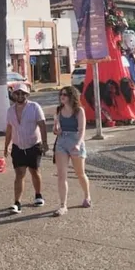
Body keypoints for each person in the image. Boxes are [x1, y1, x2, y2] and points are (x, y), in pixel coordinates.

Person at [3, 83, 48, 213]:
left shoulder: (34, 107)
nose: (20, 96)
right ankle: (17, 203)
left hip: (34, 145)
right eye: (17, 93)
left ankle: (38, 195)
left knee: (35, 171)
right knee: (19, 174)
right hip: (18, 146)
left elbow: (42, 125)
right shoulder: (10, 111)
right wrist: (6, 146)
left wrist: (44, 142)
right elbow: (9, 128)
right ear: (14, 95)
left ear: (27, 95)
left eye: (23, 93)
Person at [52, 87, 91, 216]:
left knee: (80, 173)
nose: (62, 97)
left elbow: (82, 130)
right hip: (62, 142)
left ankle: (87, 196)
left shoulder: (79, 111)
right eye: (60, 94)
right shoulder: (59, 110)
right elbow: (56, 128)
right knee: (61, 175)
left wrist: (79, 144)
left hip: (75, 141)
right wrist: (56, 129)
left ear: (71, 96)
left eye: (65, 94)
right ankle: (63, 205)